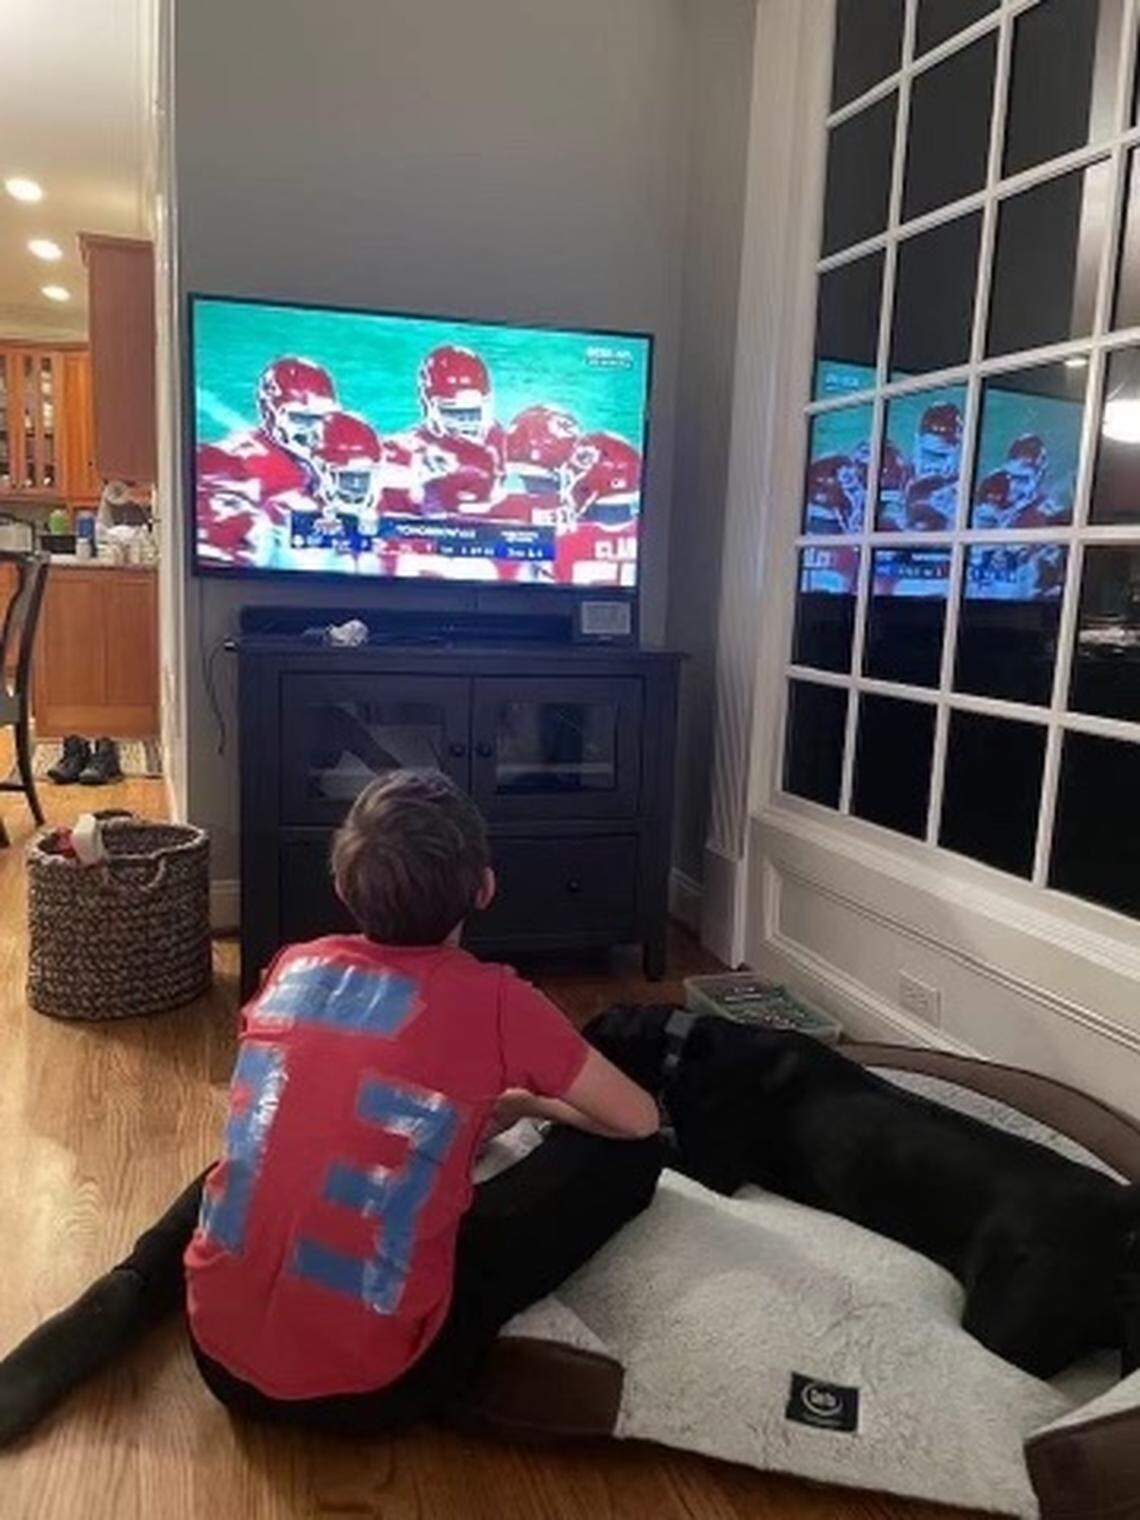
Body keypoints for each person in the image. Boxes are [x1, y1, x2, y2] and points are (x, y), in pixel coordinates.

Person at [0, 772, 661, 1444]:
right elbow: (635, 1117)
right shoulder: (499, 1001)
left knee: (260, 1159)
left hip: (218, 1360)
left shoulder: (291, 966)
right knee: (634, 1156)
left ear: (342, 887)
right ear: (485, 887)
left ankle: (129, 1292)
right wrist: (536, 1106)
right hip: (374, 1390)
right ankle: (483, 1380)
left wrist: (499, 1103)